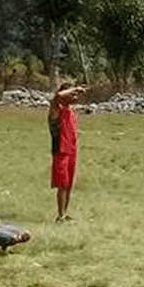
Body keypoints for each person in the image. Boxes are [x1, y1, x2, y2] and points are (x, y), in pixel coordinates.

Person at [49, 83, 85, 221]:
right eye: (71, 94)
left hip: (72, 151)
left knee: (69, 185)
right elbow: (57, 96)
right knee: (62, 185)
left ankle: (65, 212)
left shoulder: (71, 110)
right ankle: (60, 215)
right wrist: (74, 89)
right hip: (61, 151)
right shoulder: (55, 109)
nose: (74, 97)